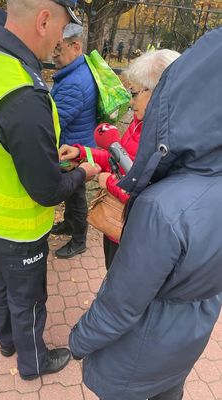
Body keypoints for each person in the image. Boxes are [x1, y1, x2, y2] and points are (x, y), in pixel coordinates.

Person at [69, 26, 222, 400]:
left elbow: (120, 307)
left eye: (136, 93)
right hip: (183, 339)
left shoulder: (163, 208)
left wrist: (77, 341)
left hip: (138, 355)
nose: (130, 100)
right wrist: (91, 153)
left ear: (171, 96)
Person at [0, 0, 100, 381]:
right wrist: (84, 172)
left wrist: (43, 152)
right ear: (42, 20)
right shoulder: (23, 93)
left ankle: (6, 341)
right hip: (17, 226)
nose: (61, 41)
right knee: (29, 298)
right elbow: (48, 190)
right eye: (61, 28)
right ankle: (33, 362)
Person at [59, 49, 180, 269]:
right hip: (118, 227)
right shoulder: (139, 123)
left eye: (135, 94)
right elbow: (118, 158)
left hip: (135, 234)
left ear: (159, 92)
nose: (131, 103)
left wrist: (108, 183)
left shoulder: (168, 139)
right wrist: (81, 153)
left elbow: (149, 195)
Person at [50, 23, 98, 259]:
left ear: (75, 46)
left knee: (76, 194)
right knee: (73, 193)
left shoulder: (73, 83)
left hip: (75, 149)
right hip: (78, 143)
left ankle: (79, 239)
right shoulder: (77, 71)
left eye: (58, 49)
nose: (53, 54)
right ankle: (69, 224)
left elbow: (54, 123)